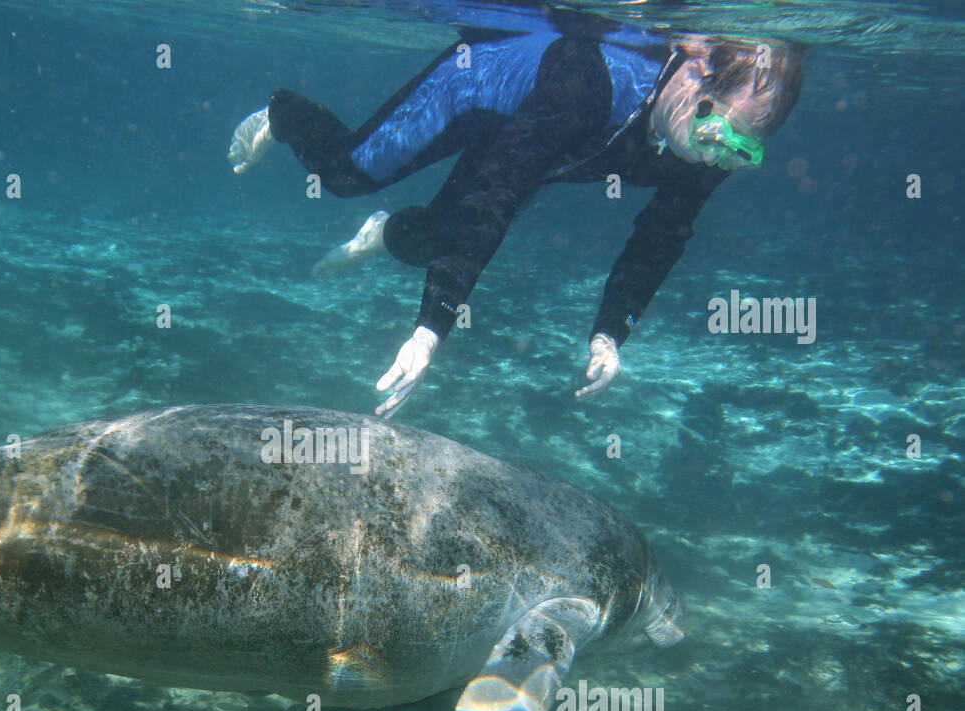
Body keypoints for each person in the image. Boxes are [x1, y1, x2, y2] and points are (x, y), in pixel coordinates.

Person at [228, 11, 804, 417]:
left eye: (740, 149)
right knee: (347, 175)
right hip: (477, 89)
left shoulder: (705, 150)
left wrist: (611, 333)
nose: (714, 155)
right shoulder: (589, 86)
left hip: (533, 147)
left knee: (433, 242)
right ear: (692, 73)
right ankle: (283, 114)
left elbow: (660, 238)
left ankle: (380, 234)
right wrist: (430, 331)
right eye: (715, 130)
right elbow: (494, 202)